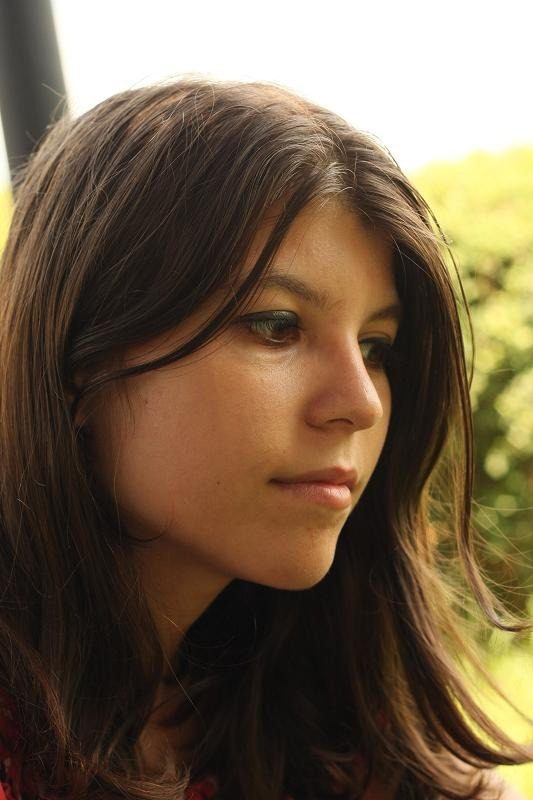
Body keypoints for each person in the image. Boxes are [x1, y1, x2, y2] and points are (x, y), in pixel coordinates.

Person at [0, 77, 530, 800]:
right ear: (78, 360)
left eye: (376, 347)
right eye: (276, 326)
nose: (359, 404)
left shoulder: (323, 706)